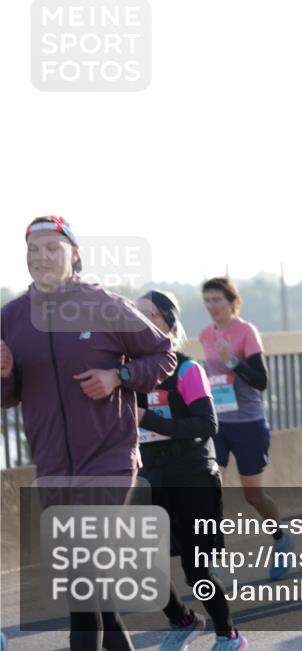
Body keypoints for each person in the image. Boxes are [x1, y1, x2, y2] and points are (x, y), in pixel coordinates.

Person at [1, 216, 176, 650]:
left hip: (110, 456)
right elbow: (7, 397)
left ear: (74, 255)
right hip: (53, 464)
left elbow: (163, 353)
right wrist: (4, 375)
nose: (42, 257)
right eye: (33, 249)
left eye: (52, 248)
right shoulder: (12, 317)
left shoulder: (103, 304)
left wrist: (119, 375)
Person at [135, 291, 248, 651]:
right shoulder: (129, 374)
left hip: (193, 476)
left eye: (149, 314)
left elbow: (207, 424)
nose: (140, 321)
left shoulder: (186, 369)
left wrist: (147, 418)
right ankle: (182, 620)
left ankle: (227, 635)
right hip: (150, 477)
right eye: (134, 315)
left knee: (196, 568)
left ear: (168, 322)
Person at [198, 277, 291, 580]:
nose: (212, 306)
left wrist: (233, 361)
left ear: (231, 301)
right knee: (211, 490)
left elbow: (261, 381)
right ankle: (215, 559)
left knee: (254, 496)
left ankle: (280, 538)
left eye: (217, 300)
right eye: (207, 300)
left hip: (249, 423)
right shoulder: (204, 335)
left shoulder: (246, 332)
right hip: (219, 424)